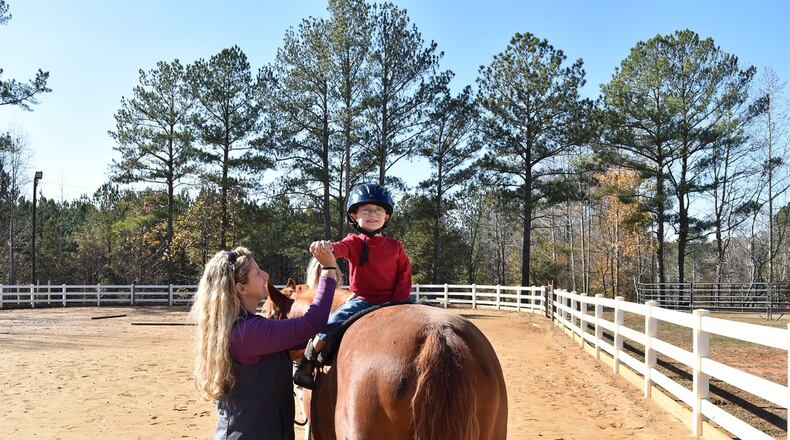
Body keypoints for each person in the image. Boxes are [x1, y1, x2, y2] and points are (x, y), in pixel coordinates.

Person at [190, 243, 338, 440]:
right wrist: (328, 270)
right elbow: (313, 323)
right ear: (241, 288)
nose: (266, 275)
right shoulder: (249, 333)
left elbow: (300, 338)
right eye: (257, 273)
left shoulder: (245, 328)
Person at [293, 183, 413, 389]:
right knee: (332, 324)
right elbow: (339, 248)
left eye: (378, 210)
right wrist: (327, 247)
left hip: (396, 300)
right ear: (354, 216)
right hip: (364, 301)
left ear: (386, 216)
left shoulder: (396, 246)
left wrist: (399, 300)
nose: (372, 214)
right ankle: (308, 362)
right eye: (365, 210)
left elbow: (404, 274)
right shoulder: (354, 242)